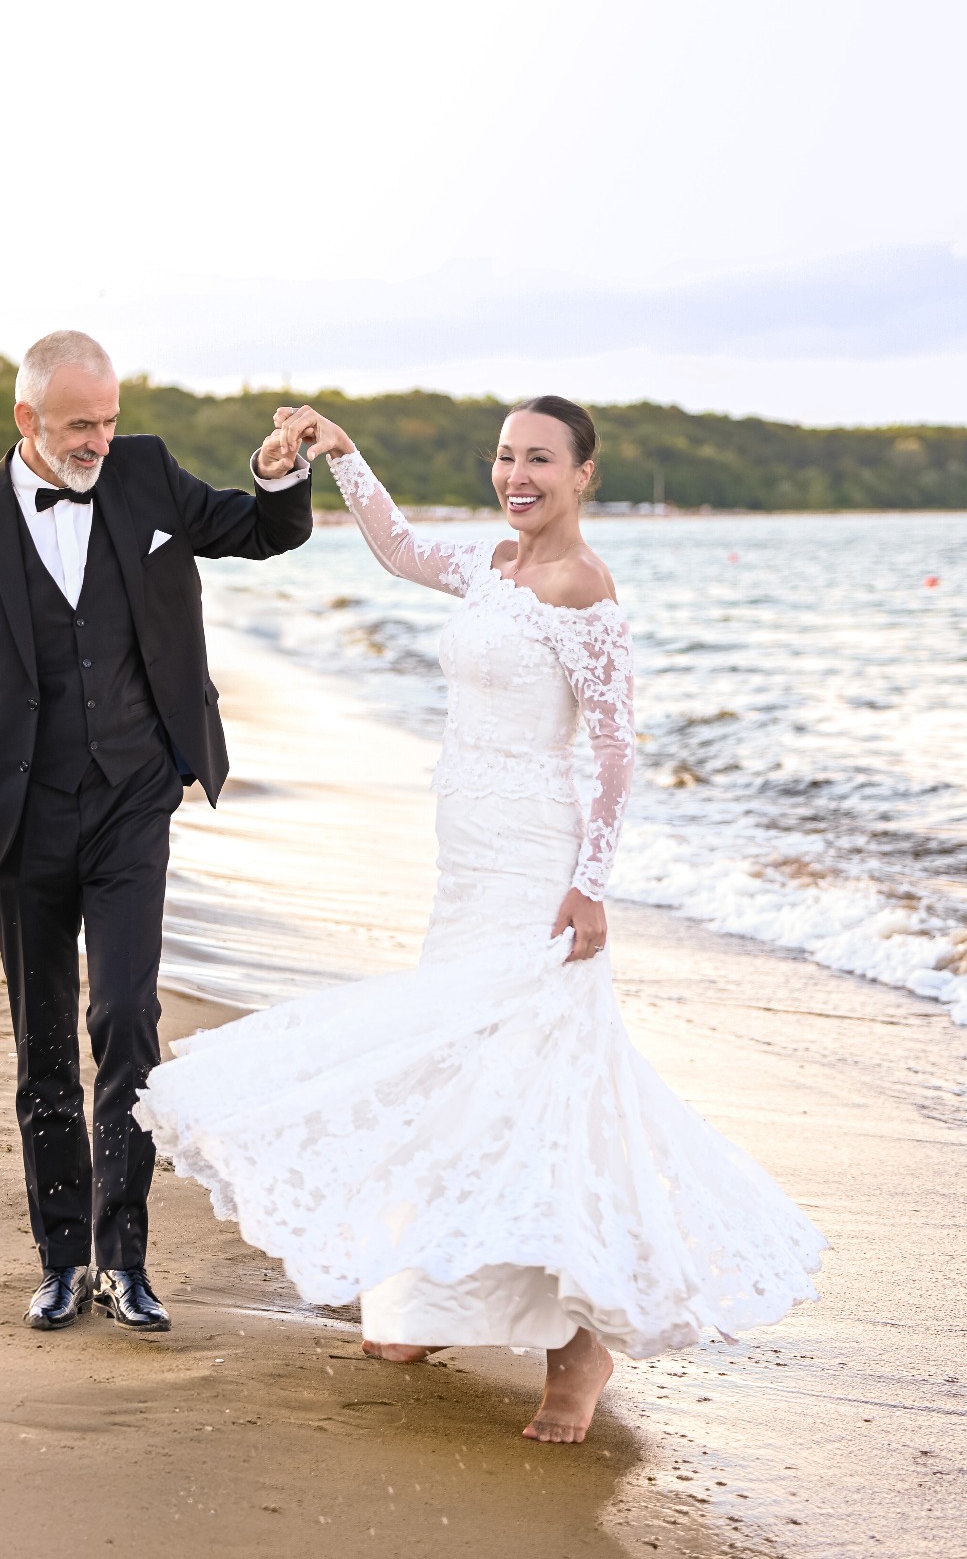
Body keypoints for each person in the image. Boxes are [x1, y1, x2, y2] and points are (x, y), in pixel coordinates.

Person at [136, 395, 824, 1443]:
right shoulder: (492, 565)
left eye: (540, 458)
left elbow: (615, 749)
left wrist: (591, 882)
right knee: (460, 1079)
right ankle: (428, 1303)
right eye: (505, 456)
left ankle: (578, 1347)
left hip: (535, 869)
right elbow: (400, 548)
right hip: (465, 861)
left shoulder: (582, 585)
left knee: (542, 1085)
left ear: (583, 474)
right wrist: (341, 452)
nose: (517, 475)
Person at [0, 331, 313, 1334]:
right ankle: (61, 1261)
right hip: (21, 814)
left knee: (126, 1018)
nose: (100, 440)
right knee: (43, 1041)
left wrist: (279, 470)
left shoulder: (147, 472)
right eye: (81, 424)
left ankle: (125, 1260)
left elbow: (263, 532)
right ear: (26, 418)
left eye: (110, 420)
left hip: (133, 797)